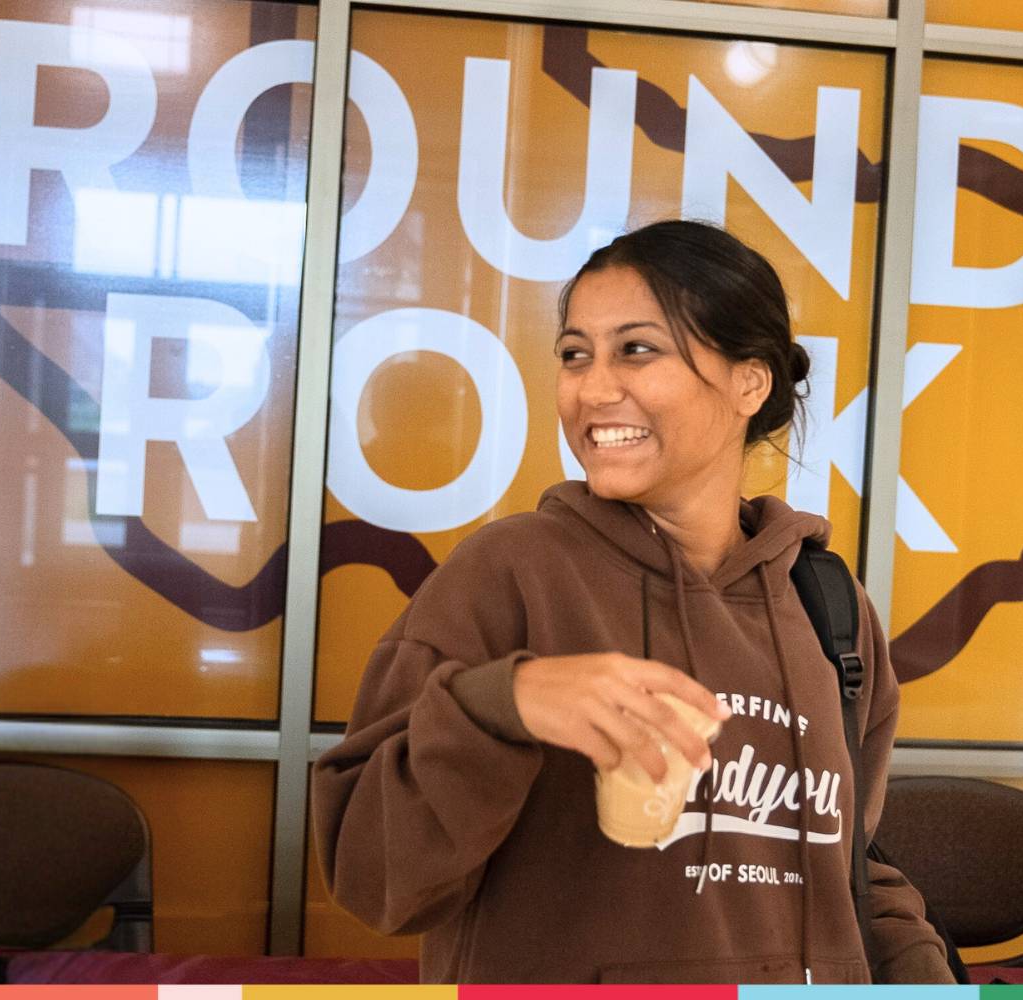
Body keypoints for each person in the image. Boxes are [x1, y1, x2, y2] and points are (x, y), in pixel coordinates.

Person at [311, 220, 952, 984]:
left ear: (751, 381)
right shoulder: (508, 574)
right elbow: (372, 875)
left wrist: (923, 973)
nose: (592, 387)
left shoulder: (829, 604)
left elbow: (843, 867)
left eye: (636, 350)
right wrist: (500, 705)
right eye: (575, 355)